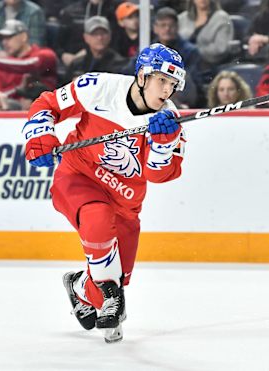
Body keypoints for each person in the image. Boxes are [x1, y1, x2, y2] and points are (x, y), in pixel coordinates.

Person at [22, 43, 187, 343]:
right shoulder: (99, 87)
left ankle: (80, 286)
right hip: (78, 176)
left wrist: (163, 145)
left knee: (114, 277)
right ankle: (108, 293)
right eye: (162, 80)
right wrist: (40, 133)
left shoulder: (170, 122)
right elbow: (48, 104)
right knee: (97, 221)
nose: (167, 90)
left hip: (125, 201)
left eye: (173, 84)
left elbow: (159, 175)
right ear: (142, 76)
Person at [0, 19, 57, 111]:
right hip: (9, 108)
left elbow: (28, 65)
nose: (4, 42)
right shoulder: (3, 64)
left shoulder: (45, 54)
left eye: (9, 37)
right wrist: (16, 89)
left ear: (23, 37)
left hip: (43, 109)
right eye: (3, 39)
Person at [66, 16, 127, 80]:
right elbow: (63, 86)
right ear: (86, 37)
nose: (99, 38)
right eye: (95, 34)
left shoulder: (120, 64)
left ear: (110, 36)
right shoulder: (77, 64)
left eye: (103, 33)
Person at [178, 0, 233, 66]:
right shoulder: (182, 18)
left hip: (210, 65)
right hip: (182, 62)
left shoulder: (222, 17)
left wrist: (194, 52)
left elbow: (220, 48)